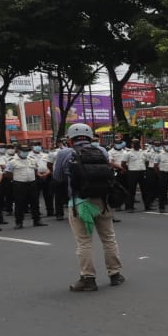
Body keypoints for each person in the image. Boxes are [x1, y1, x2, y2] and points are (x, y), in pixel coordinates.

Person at [52, 123, 124, 291]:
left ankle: (88, 279)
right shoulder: (102, 151)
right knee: (109, 239)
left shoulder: (64, 153)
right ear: (91, 137)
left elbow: (58, 178)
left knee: (84, 242)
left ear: (70, 140)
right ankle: (115, 274)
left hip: (80, 203)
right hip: (102, 201)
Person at [4, 143, 47, 228]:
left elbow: (35, 170)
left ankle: (37, 220)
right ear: (18, 151)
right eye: (23, 151)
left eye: (27, 151)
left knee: (35, 202)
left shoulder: (31, 160)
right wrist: (16, 179)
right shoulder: (12, 161)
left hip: (32, 183)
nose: (25, 152)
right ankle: (19, 222)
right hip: (19, 184)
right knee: (19, 203)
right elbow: (7, 173)